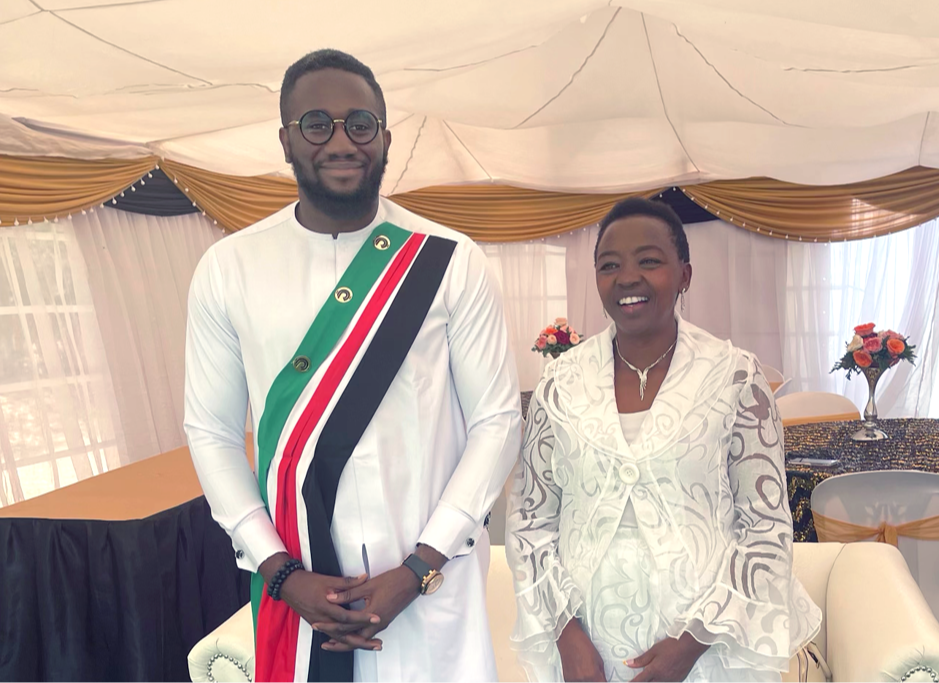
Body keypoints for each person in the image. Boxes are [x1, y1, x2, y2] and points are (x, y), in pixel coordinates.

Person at [183, 49, 522, 683]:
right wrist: (280, 573)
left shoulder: (450, 261)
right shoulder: (228, 269)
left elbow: (497, 422)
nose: (341, 141)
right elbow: (212, 433)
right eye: (317, 124)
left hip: (428, 583)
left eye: (360, 124)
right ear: (286, 141)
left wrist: (420, 567)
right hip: (298, 587)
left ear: (386, 138)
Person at [505, 198, 821, 682]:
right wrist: (566, 637)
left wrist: (691, 644)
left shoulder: (734, 376)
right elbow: (530, 522)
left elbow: (765, 528)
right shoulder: (559, 385)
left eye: (648, 261)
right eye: (610, 265)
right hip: (586, 655)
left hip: (710, 649)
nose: (627, 278)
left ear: (684, 275)